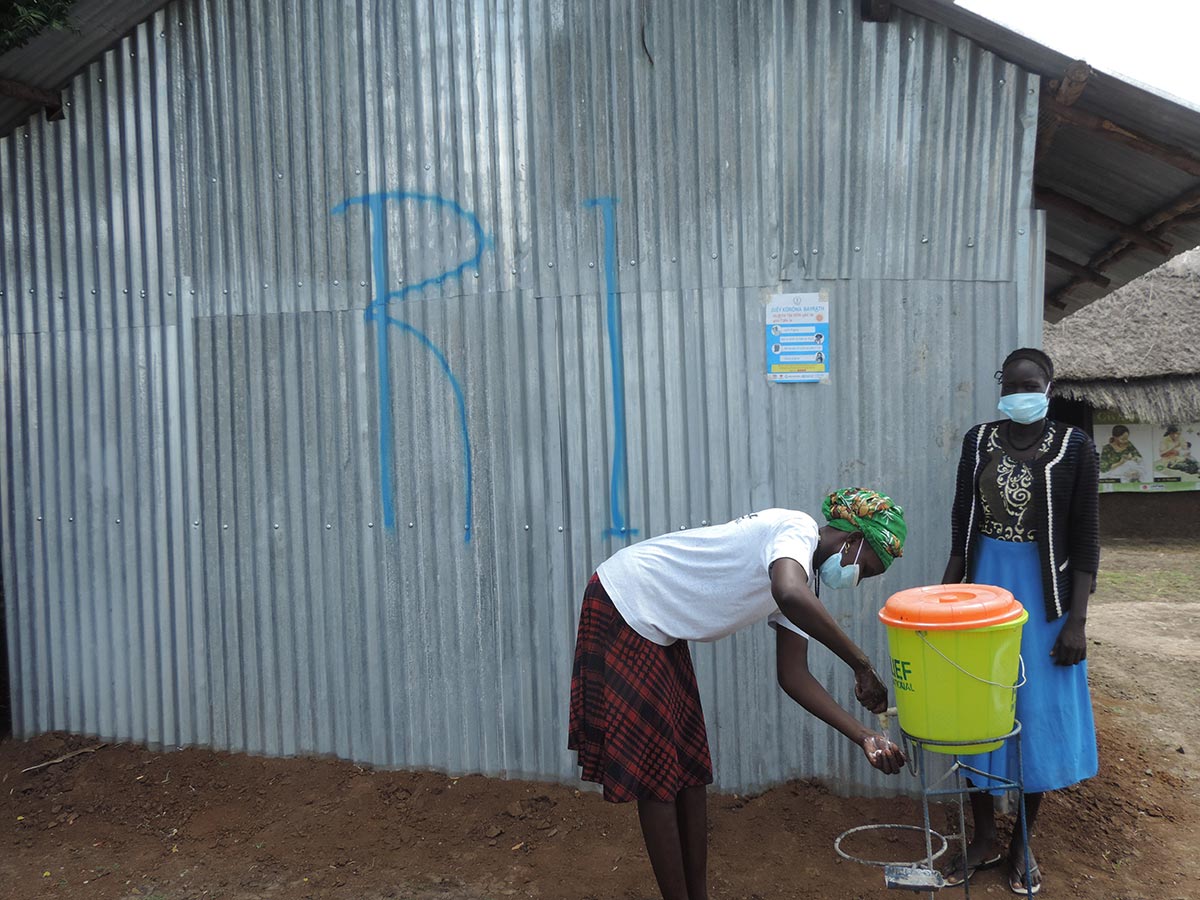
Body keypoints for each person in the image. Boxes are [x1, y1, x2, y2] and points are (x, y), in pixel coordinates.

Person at [569, 489, 908, 900]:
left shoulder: (806, 583)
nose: (859, 579)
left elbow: (794, 677)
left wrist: (864, 737)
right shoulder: (796, 531)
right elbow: (787, 591)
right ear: (854, 539)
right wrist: (861, 664)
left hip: (661, 629)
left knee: (689, 770)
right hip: (625, 603)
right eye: (869, 569)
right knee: (656, 773)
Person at [941, 348, 1099, 895]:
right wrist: (946, 595)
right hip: (984, 585)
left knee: (1035, 712)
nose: (1021, 391)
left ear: (1049, 387)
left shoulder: (1075, 448)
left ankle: (1022, 843)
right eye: (1012, 384)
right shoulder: (979, 440)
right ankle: (984, 836)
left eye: (1031, 383)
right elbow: (963, 516)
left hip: (1044, 597)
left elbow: (1085, 538)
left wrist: (1077, 622)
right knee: (977, 707)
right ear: (1001, 387)